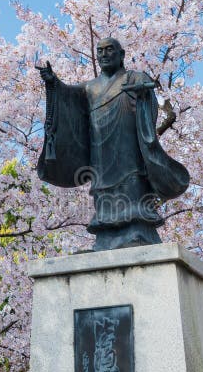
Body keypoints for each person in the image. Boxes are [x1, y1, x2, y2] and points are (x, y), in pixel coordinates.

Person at [36, 37, 189, 251]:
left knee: (131, 185)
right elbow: (67, 96)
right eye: (100, 51)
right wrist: (53, 82)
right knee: (103, 191)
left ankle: (137, 232)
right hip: (100, 149)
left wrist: (143, 95)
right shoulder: (90, 87)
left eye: (110, 50)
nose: (104, 54)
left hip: (128, 147)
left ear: (121, 55)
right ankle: (105, 239)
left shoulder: (134, 77)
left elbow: (149, 101)